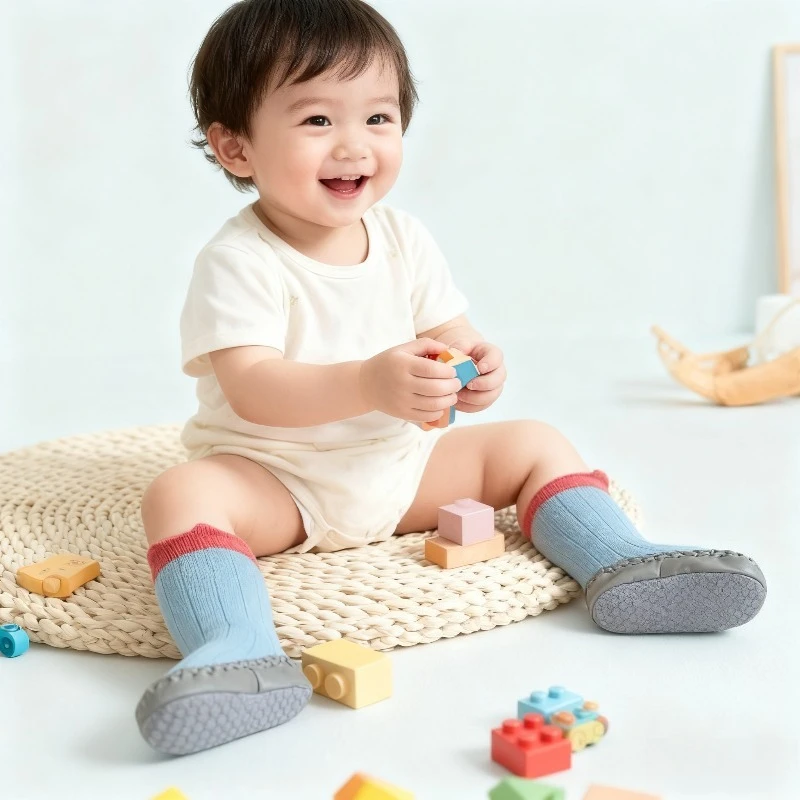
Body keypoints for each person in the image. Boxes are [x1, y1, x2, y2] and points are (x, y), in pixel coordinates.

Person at [135, 0, 767, 757]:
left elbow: (448, 331)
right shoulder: (238, 261)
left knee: (534, 442)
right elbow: (253, 387)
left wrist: (473, 363)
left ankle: (621, 565)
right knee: (179, 494)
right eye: (317, 120)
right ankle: (239, 652)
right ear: (236, 148)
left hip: (401, 471)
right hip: (278, 482)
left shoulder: (403, 238)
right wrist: (367, 383)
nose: (354, 146)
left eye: (378, 117)